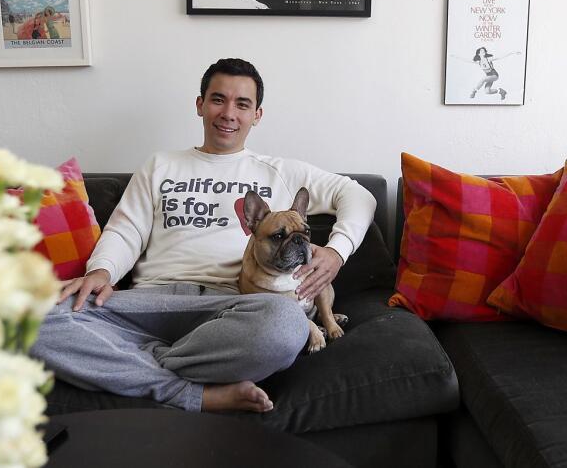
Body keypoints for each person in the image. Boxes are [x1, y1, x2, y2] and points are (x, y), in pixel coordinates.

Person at [32, 58, 377, 413]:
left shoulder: (281, 170)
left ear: (257, 114)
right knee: (33, 318)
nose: (229, 113)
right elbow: (125, 229)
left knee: (287, 323)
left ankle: (135, 363)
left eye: (242, 104)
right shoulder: (159, 165)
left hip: (231, 309)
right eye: (218, 99)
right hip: (150, 303)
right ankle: (192, 390)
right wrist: (101, 272)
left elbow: (359, 196)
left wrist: (336, 252)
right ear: (200, 105)